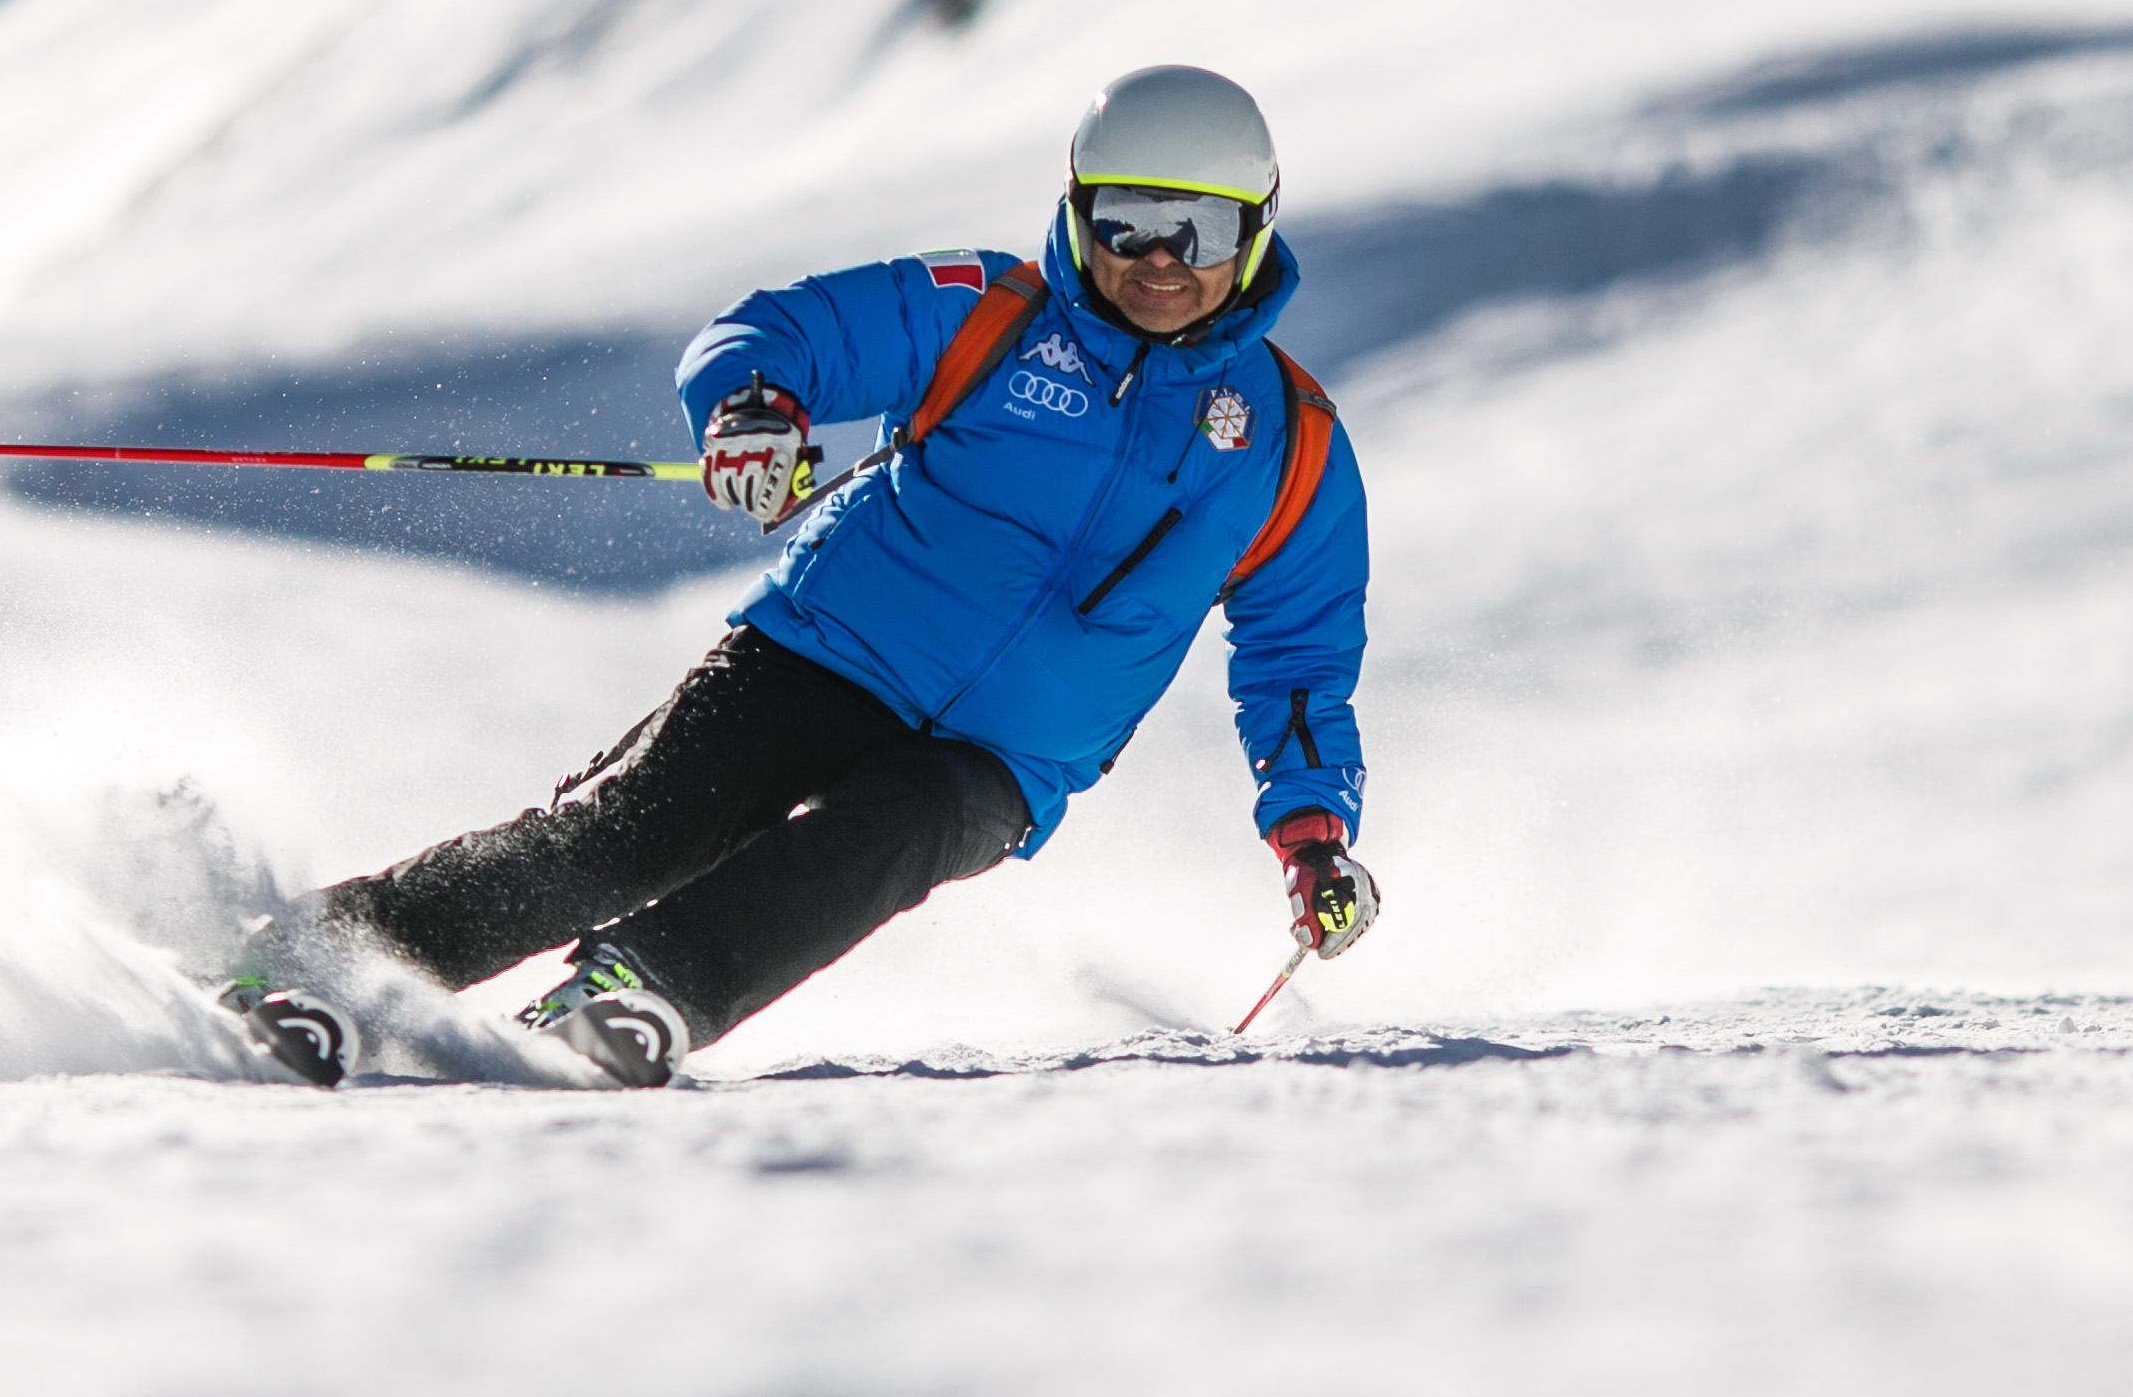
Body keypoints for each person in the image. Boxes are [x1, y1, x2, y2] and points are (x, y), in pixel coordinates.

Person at [231, 64, 1379, 1088]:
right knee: (629, 833)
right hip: (825, 650)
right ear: (1079, 214)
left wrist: (1314, 836)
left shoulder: (1293, 445)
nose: (1160, 262)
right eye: (1126, 223)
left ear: (1256, 229)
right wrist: (752, 412)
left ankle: (639, 990)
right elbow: (782, 332)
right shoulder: (988, 311)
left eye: (1198, 230)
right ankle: (310, 961)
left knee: (899, 828)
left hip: (1007, 757)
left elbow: (1297, 662)